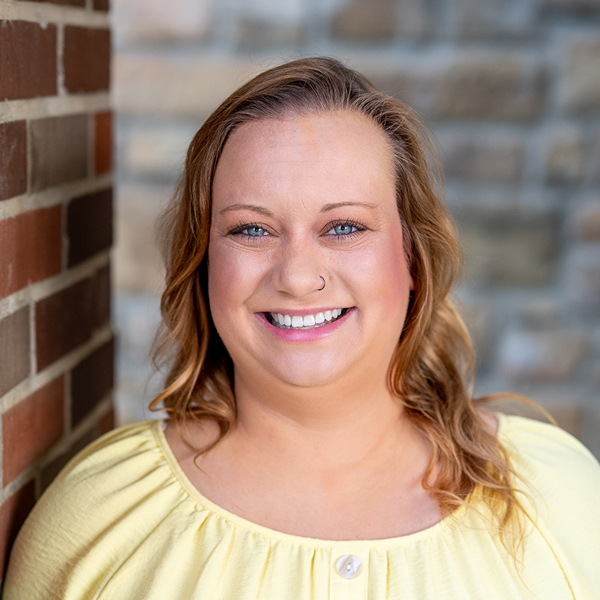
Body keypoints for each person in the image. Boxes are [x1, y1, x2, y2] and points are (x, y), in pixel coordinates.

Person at [5, 57, 600, 599]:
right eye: (251, 229)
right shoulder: (103, 518)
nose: (296, 276)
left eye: (343, 227)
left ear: (412, 258)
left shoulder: (562, 499)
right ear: (204, 261)